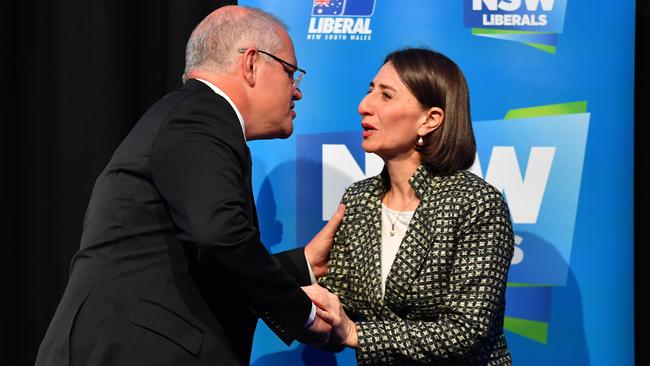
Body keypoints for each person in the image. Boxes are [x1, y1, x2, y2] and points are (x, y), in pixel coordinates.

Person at [35, 6, 344, 366]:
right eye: (291, 73)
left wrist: (302, 263)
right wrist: (303, 315)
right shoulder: (200, 116)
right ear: (251, 64)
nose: (297, 92)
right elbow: (217, 236)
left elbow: (204, 267)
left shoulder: (191, 116)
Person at [303, 48, 514, 365]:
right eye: (370, 90)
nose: (364, 106)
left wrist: (356, 334)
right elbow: (337, 314)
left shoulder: (475, 202)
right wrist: (313, 307)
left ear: (430, 120)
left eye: (386, 96)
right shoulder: (360, 199)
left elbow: (467, 330)